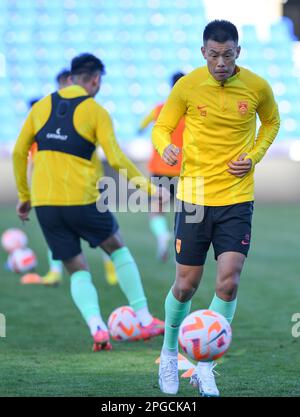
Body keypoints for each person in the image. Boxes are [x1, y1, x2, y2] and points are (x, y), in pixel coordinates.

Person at [153, 20, 280, 396]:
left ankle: (205, 364)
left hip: (237, 198)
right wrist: (166, 148)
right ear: (203, 52)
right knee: (185, 285)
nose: (220, 62)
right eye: (213, 55)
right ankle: (171, 354)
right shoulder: (188, 85)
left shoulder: (257, 86)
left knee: (229, 281)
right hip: (194, 198)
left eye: (227, 55)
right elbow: (162, 127)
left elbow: (271, 122)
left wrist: (254, 155)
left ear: (238, 52)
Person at [13, 53, 167, 351]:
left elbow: (20, 152)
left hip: (45, 205)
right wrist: (148, 188)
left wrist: (25, 196)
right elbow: (117, 158)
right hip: (82, 201)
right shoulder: (96, 111)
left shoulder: (42, 105)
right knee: (117, 249)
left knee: (76, 268)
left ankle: (97, 329)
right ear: (95, 80)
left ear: (71, 77)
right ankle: (144, 317)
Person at [25, 70, 118, 286]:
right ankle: (55, 272)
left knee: (108, 236)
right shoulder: (47, 118)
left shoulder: (87, 112)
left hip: (89, 184)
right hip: (54, 188)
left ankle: (112, 270)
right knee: (57, 233)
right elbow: (31, 159)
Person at [138, 72, 185, 262]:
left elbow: (141, 126)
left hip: (160, 168)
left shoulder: (159, 109)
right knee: (185, 214)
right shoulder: (192, 112)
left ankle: (162, 235)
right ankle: (181, 250)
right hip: (184, 171)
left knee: (156, 210)